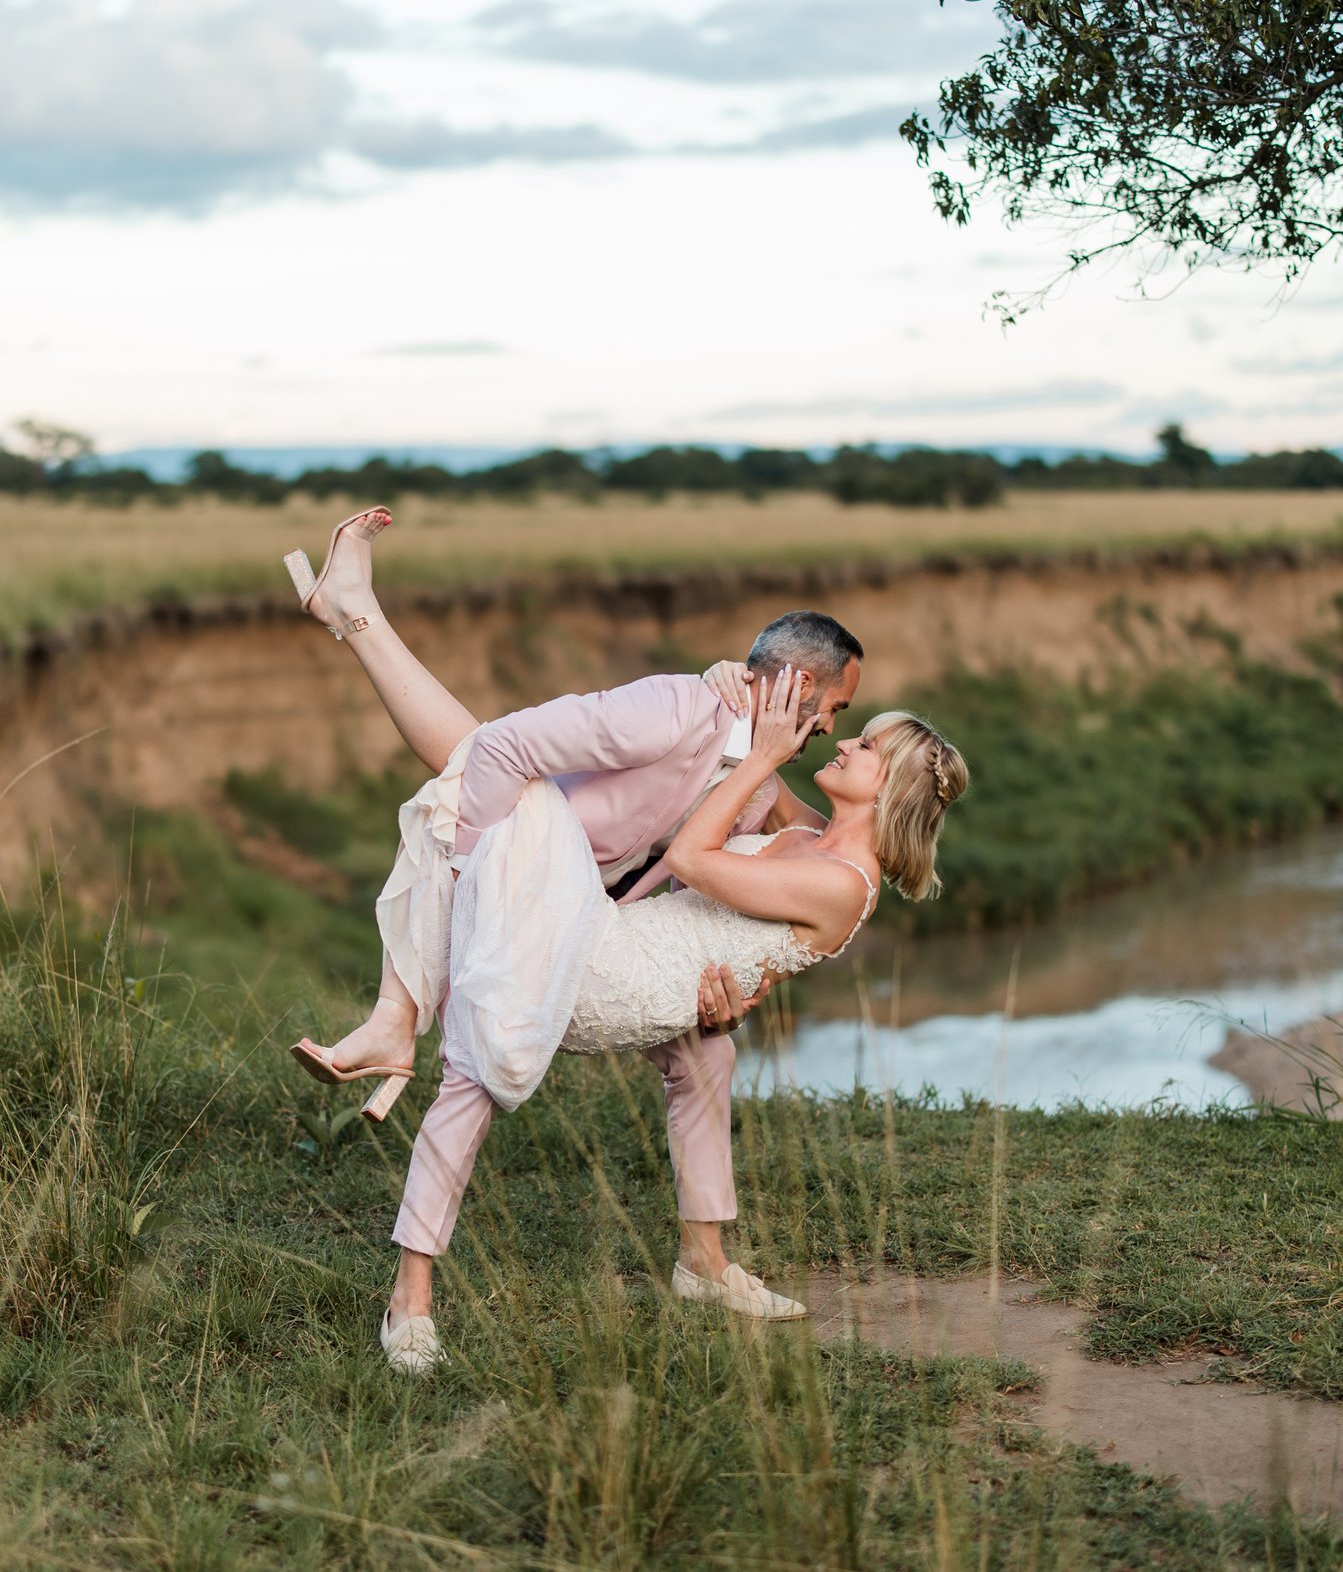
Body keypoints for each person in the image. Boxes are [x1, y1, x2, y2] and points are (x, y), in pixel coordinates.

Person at [281, 507, 968, 1374]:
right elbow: (515, 753)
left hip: (616, 934)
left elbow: (746, 873)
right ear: (792, 687)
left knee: (697, 1053)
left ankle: (701, 1261)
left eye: (854, 729)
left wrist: (744, 983)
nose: (832, 729)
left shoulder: (784, 809)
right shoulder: (694, 724)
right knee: (477, 801)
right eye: (837, 710)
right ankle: (414, 1292)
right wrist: (466, 891)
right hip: (550, 885)